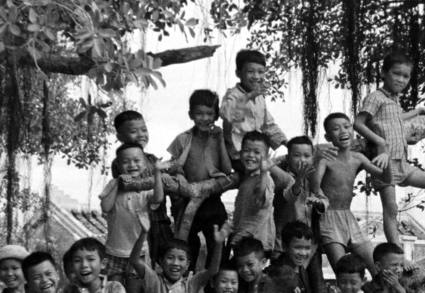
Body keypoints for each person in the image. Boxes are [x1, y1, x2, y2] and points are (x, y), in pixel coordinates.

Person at [353, 48, 425, 248]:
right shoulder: (375, 97)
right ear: (383, 73)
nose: (401, 80)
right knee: (391, 208)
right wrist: (380, 142)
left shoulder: (394, 100)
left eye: (406, 76)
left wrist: (419, 111)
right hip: (383, 163)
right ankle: (396, 253)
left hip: (401, 162)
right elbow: (358, 123)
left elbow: (397, 118)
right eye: (396, 73)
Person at [166, 88, 237, 261]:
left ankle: (214, 278)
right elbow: (172, 166)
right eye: (199, 113)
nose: (205, 118)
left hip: (212, 201)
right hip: (187, 200)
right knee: (187, 246)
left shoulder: (219, 138)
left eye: (209, 113)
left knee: (216, 248)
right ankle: (188, 276)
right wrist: (180, 176)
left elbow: (227, 171)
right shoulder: (183, 139)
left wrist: (220, 140)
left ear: (216, 115)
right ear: (191, 114)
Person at [312, 112, 386, 272]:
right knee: (343, 271)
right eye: (336, 129)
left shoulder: (358, 158)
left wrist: (385, 158)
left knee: (377, 268)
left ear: (352, 131)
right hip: (328, 217)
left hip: (349, 216)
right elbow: (314, 186)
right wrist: (317, 160)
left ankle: (377, 288)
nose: (343, 131)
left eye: (347, 127)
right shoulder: (325, 159)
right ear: (328, 137)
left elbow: (384, 176)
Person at [99, 142, 162, 280]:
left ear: (144, 163)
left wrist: (157, 173)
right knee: (114, 289)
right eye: (125, 162)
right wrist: (118, 183)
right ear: (118, 165)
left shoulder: (146, 187)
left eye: (137, 160)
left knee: (135, 291)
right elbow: (106, 207)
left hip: (139, 252)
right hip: (114, 251)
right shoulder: (113, 184)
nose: (132, 165)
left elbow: (158, 198)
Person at [220, 48, 287, 171]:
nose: (256, 76)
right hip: (238, 154)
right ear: (238, 73)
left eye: (261, 72)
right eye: (250, 71)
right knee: (281, 177)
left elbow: (268, 125)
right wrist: (249, 96)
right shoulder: (233, 95)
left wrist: (286, 143)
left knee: (288, 166)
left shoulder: (259, 97)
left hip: (257, 152)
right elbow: (228, 114)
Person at [231, 131, 293, 255]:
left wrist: (264, 173)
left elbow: (260, 200)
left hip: (257, 246)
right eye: (247, 150)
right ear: (240, 152)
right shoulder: (249, 179)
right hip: (244, 241)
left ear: (266, 157)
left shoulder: (265, 179)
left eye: (257, 152)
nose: (251, 155)